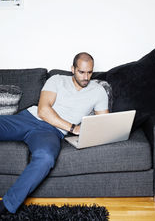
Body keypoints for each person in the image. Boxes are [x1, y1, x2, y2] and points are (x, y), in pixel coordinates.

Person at [0, 52, 109, 215]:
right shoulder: (57, 80)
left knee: (45, 157)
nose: (86, 77)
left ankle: (7, 206)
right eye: (81, 72)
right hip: (30, 117)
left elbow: (104, 123)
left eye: (89, 72)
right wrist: (73, 128)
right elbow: (43, 111)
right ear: (72, 69)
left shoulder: (98, 91)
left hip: (51, 131)